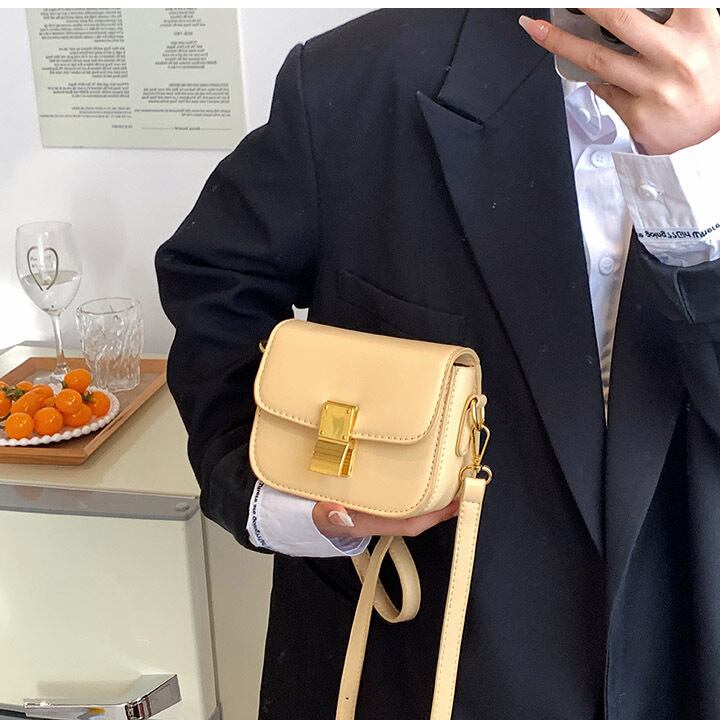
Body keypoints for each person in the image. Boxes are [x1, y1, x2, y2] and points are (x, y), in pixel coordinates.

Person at [154, 9, 720, 720]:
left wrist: (691, 184)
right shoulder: (356, 79)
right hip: (418, 660)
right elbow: (214, 285)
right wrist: (291, 498)